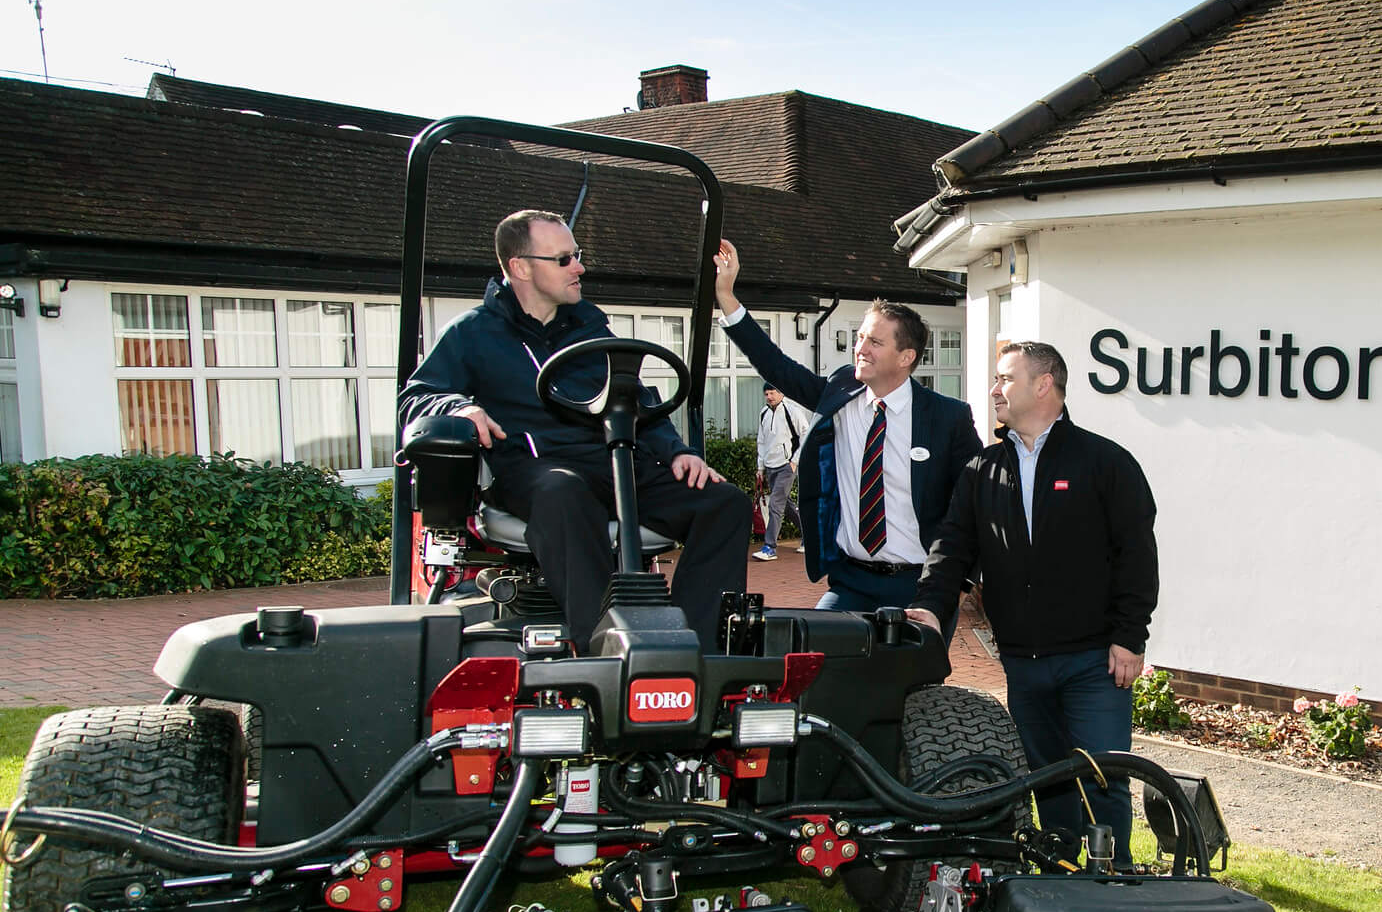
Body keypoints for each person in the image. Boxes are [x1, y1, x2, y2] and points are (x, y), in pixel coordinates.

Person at [398, 209, 750, 648]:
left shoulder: (590, 326)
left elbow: (632, 399)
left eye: (577, 255)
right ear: (521, 267)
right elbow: (416, 398)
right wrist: (458, 407)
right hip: (536, 469)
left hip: (613, 460)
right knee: (563, 492)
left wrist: (678, 450)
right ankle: (605, 646)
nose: (579, 267)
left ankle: (693, 647)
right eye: (564, 259)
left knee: (724, 503)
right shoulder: (472, 334)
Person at [906, 342, 1159, 870]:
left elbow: (1136, 553)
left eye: (1005, 379)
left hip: (1094, 659)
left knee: (1103, 773)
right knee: (1047, 778)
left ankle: (1113, 874)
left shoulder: (1104, 462)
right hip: (1023, 663)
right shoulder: (983, 469)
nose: (995, 390)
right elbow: (952, 546)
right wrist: (930, 606)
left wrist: (1129, 637)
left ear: (1044, 385)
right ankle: (1064, 868)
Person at [711, 247, 978, 617]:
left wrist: (960, 584)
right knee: (821, 663)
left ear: (906, 358)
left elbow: (975, 504)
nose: (859, 349)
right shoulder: (840, 393)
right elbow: (777, 366)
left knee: (907, 677)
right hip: (851, 581)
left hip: (920, 587)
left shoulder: (948, 418)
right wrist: (726, 296)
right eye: (860, 337)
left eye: (875, 342)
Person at [752, 385, 805, 561]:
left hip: (786, 466)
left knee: (775, 504)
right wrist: (760, 468)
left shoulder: (793, 412)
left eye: (772, 393)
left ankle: (770, 547)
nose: (769, 396)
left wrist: (794, 461)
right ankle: (811, 538)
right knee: (787, 505)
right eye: (766, 393)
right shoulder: (763, 414)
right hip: (770, 466)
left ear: (781, 393)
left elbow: (805, 435)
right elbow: (761, 442)